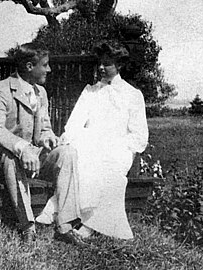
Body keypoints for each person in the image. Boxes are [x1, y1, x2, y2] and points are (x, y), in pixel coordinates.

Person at [38, 42, 149, 241]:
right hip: (89, 145)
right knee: (83, 159)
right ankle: (72, 216)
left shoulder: (133, 95)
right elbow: (73, 125)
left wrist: (112, 144)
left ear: (119, 66)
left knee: (109, 171)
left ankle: (89, 224)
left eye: (107, 64)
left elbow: (139, 136)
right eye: (100, 63)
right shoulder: (90, 91)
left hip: (119, 149)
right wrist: (75, 140)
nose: (100, 68)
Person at [0, 42, 59, 242]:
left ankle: (65, 223)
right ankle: (27, 225)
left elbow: (44, 128)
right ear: (30, 67)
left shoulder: (41, 92)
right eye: (45, 65)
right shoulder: (0, 90)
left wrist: (48, 137)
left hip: (32, 154)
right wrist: (22, 148)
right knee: (11, 156)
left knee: (68, 153)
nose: (49, 69)